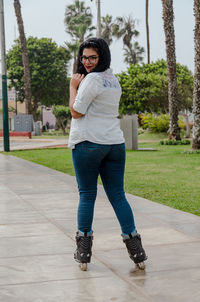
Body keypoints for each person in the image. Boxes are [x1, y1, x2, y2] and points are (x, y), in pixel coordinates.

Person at [68, 37, 147, 270]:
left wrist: (72, 86)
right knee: (118, 195)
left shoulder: (91, 80)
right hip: (114, 144)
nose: (87, 62)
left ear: (102, 56)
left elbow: (76, 112)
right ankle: (137, 252)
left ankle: (83, 253)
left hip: (87, 143)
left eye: (92, 57)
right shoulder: (113, 80)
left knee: (87, 194)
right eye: (84, 57)